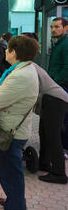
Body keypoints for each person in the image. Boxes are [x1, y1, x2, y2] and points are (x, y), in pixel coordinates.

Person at [0, 35, 40, 210]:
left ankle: (16, 205)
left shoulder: (21, 75)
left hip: (12, 132)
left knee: (12, 172)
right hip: (9, 127)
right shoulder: (18, 70)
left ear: (14, 52)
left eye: (8, 49)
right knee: (2, 165)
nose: (5, 52)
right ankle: (13, 200)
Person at [33, 63, 68, 184]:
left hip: (55, 100)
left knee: (53, 137)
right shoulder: (27, 66)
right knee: (44, 133)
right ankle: (44, 164)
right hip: (51, 99)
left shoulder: (27, 67)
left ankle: (59, 174)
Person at [47, 17, 68, 158]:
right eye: (52, 27)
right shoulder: (58, 43)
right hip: (58, 85)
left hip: (62, 86)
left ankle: (65, 149)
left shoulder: (66, 44)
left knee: (64, 119)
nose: (53, 29)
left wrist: (56, 84)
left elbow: (67, 67)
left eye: (57, 27)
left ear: (66, 28)